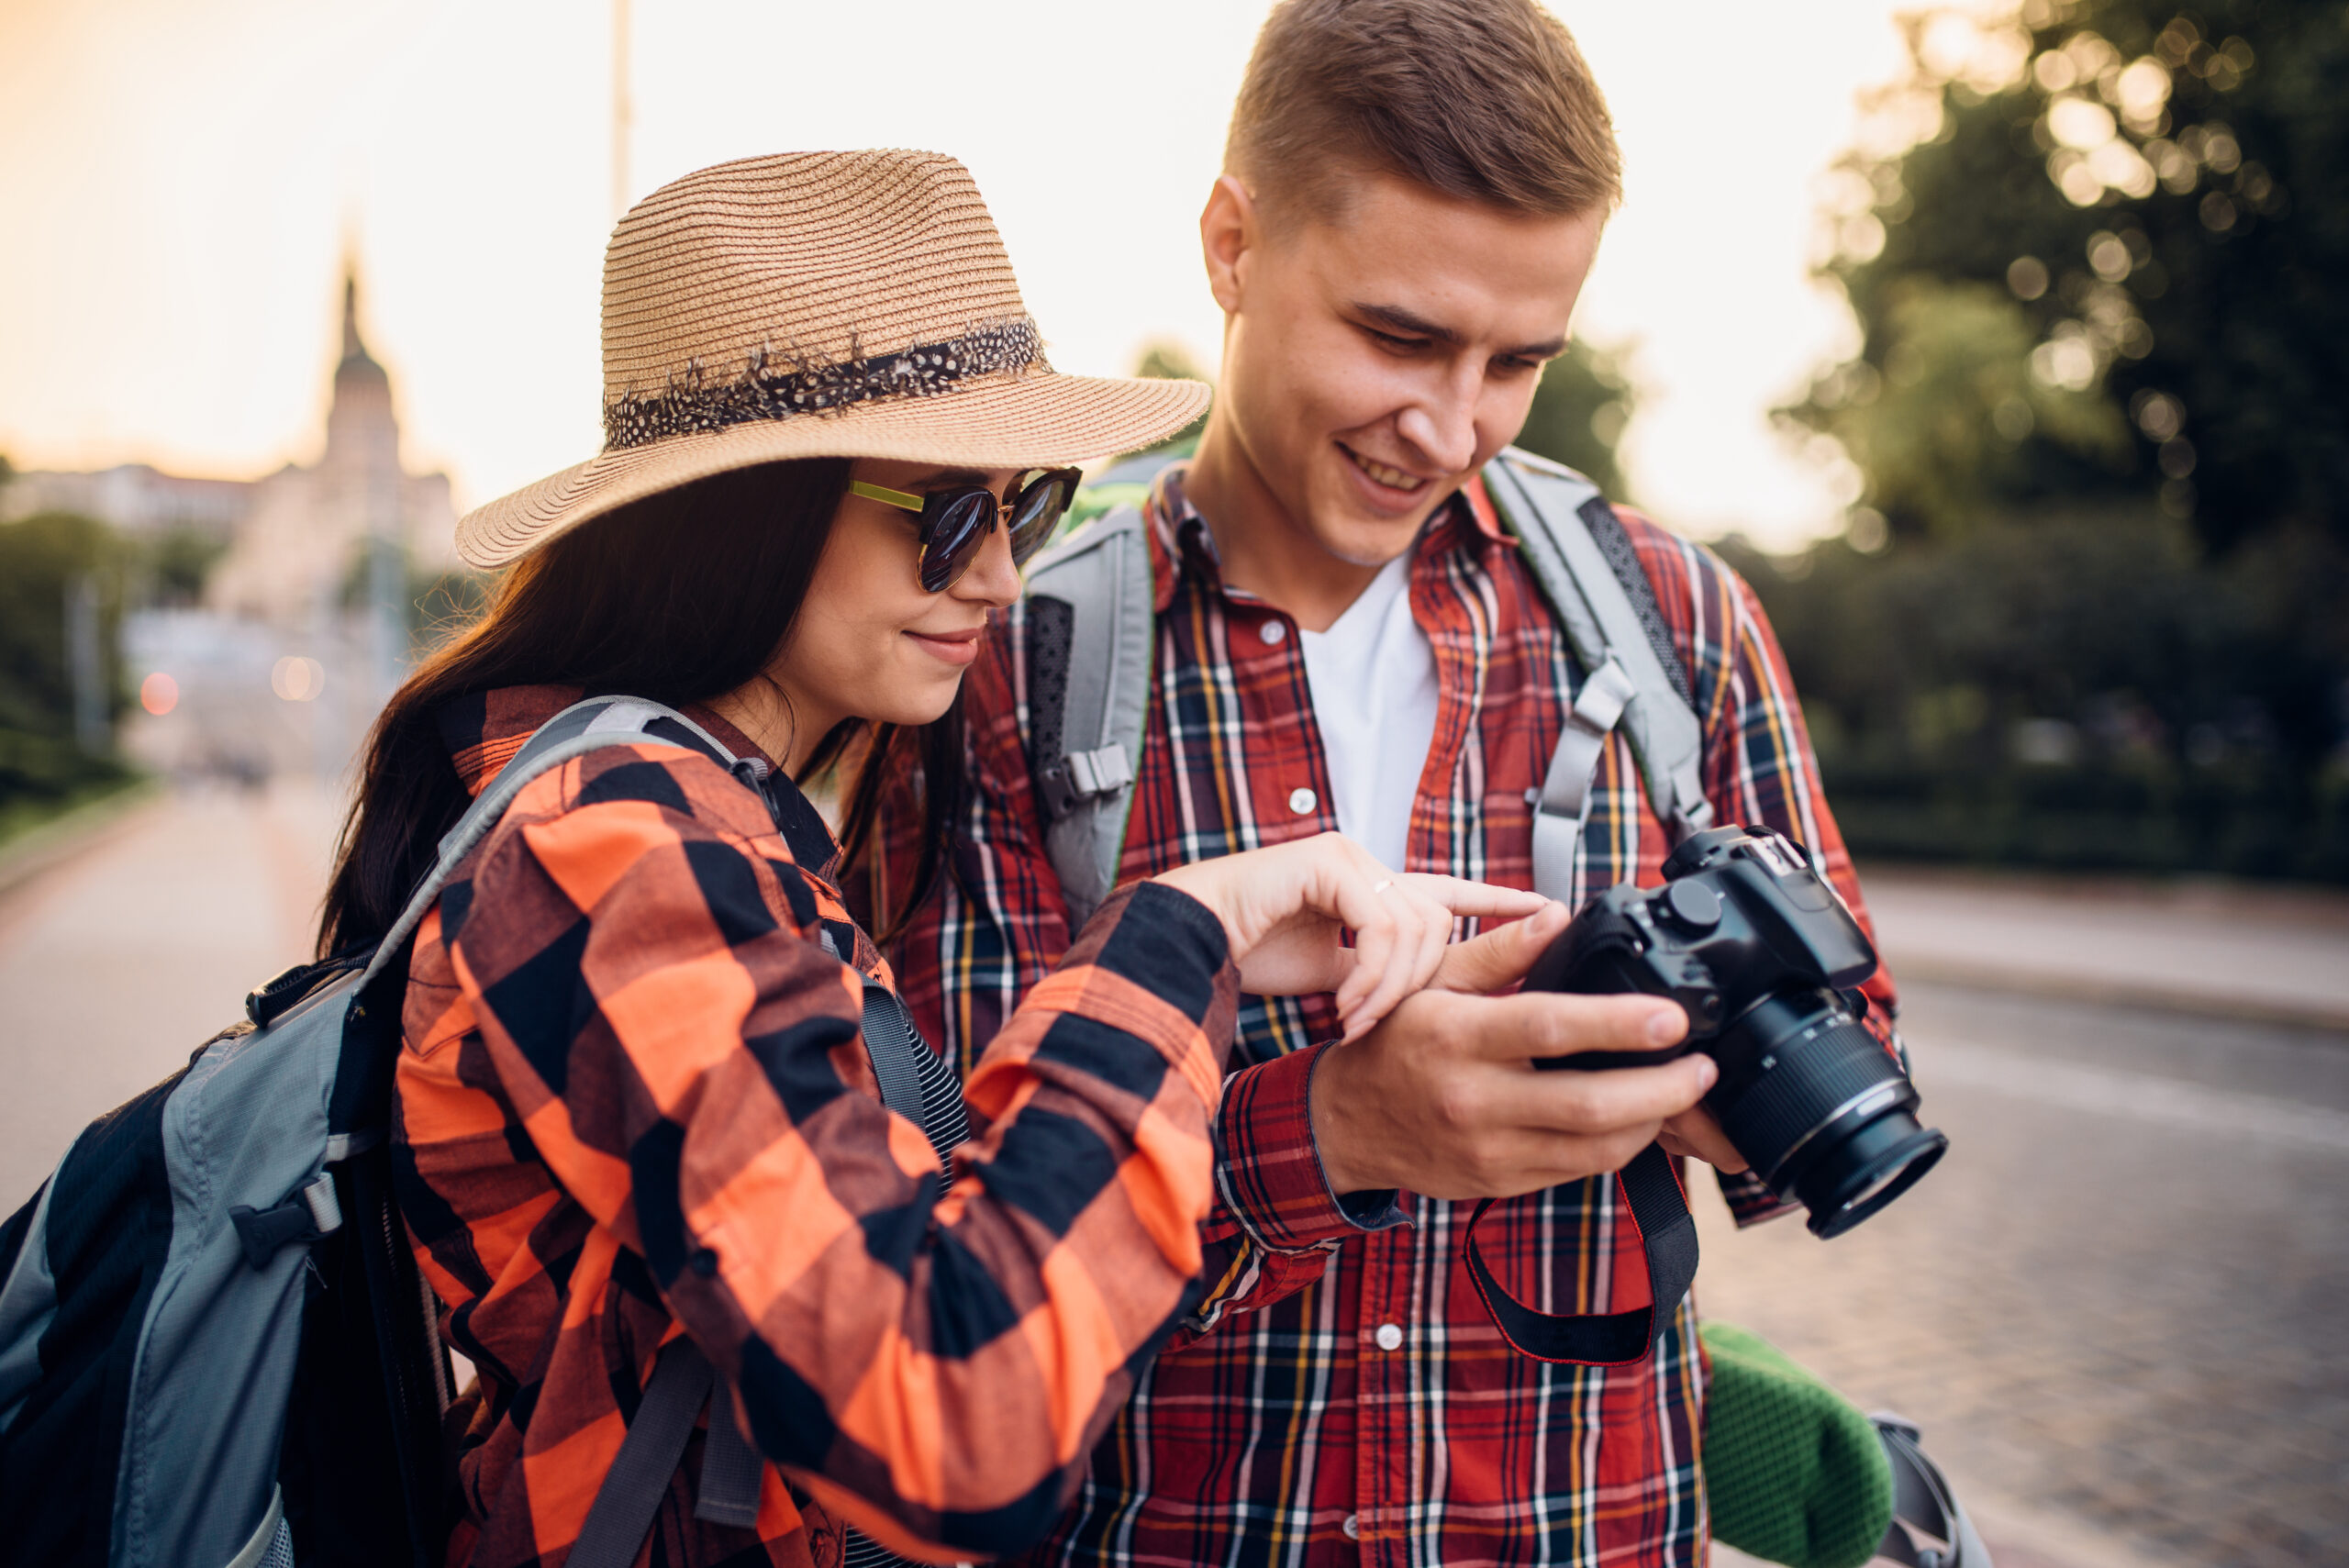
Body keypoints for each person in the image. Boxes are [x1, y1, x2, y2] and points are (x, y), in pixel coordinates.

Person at [317, 150, 1542, 1568]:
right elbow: (959, 1421)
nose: (1000, 576)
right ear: (741, 515)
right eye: (948, 513)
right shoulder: (624, 847)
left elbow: (909, 1234)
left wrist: (1193, 991)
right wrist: (1173, 935)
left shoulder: (699, 813)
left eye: (1024, 506)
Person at [873, 4, 1906, 1564]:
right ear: (1231, 244)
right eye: (1401, 337)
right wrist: (1335, 1130)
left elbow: (1857, 1044)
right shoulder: (1008, 665)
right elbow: (949, 1233)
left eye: (1518, 362)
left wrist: (1688, 1067)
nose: (1451, 425)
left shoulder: (1675, 620)